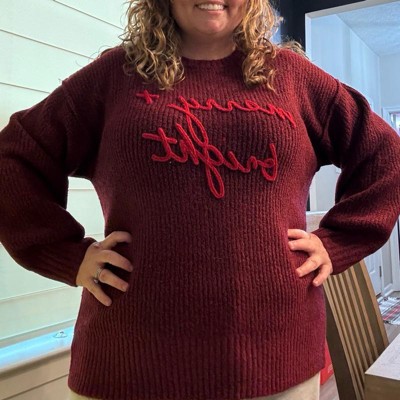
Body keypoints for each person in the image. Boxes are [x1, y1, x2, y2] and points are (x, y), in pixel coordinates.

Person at [0, 0, 399, 399]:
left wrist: (338, 241)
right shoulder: (115, 76)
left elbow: (386, 156)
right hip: (128, 361)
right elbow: (13, 158)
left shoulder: (293, 78)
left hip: (274, 359)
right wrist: (68, 255)